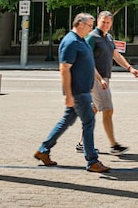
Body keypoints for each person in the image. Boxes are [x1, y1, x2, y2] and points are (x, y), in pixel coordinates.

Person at [34, 13, 110, 173]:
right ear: (80, 24)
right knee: (89, 122)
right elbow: (64, 69)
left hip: (83, 90)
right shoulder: (70, 41)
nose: (91, 28)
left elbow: (88, 64)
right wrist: (68, 95)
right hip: (78, 92)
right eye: (90, 25)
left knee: (66, 121)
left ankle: (43, 150)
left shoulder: (81, 40)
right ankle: (92, 161)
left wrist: (99, 78)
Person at [86, 11, 138, 154]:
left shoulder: (108, 37)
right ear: (98, 21)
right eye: (103, 22)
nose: (105, 25)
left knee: (94, 109)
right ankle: (113, 145)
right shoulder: (92, 37)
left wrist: (130, 68)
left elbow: (115, 55)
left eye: (108, 22)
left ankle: (82, 143)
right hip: (95, 79)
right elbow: (87, 60)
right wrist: (99, 78)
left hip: (104, 78)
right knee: (108, 110)